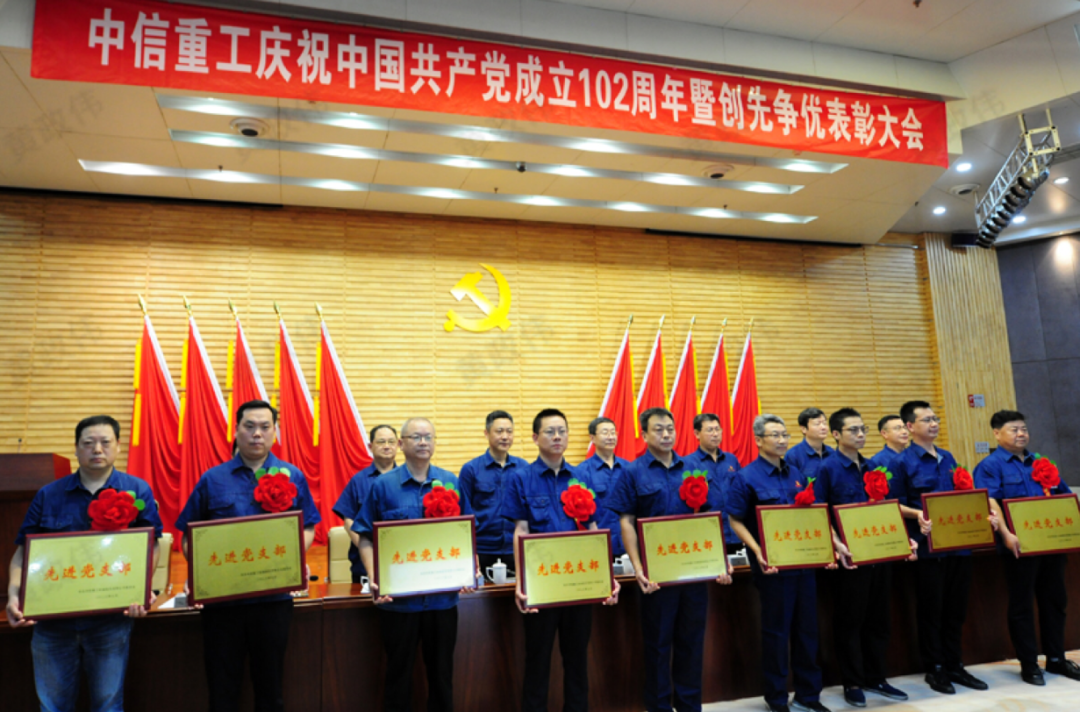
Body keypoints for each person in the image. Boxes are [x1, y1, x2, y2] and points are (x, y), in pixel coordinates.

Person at [6, 415, 163, 712]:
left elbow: (151, 543)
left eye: (105, 442)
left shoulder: (137, 490)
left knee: (108, 704)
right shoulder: (49, 494)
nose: (97, 449)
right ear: (76, 448)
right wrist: (14, 594)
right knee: (52, 706)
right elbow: (24, 552)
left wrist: (141, 589)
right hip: (53, 622)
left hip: (110, 620)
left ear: (118, 446)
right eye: (88, 443)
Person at [175, 400, 320, 712]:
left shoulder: (293, 476)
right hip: (222, 603)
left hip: (272, 599)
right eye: (249, 426)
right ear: (236, 430)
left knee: (271, 688)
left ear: (275, 432)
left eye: (265, 427)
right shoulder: (212, 479)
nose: (257, 434)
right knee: (222, 689)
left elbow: (307, 526)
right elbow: (188, 537)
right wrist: (201, 570)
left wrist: (292, 557)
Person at [609, 407, 732, 712]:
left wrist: (720, 560)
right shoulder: (632, 472)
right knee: (658, 646)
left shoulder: (692, 468)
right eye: (658, 429)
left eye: (670, 429)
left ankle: (690, 706)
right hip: (657, 577)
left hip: (693, 573)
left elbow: (708, 518)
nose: (666, 435)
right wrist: (638, 568)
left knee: (692, 644)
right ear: (644, 434)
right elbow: (626, 521)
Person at [354, 417, 477, 712]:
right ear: (401, 444)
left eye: (428, 437)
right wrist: (374, 576)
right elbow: (365, 537)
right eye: (416, 437)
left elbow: (466, 532)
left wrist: (469, 570)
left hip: (442, 602)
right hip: (398, 603)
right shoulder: (383, 486)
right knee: (398, 676)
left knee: (442, 677)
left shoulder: (451, 481)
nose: (423, 442)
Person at [503, 408, 620, 712]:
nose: (557, 437)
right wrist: (521, 582)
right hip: (541, 584)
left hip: (578, 583)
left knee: (577, 659)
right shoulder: (520, 478)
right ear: (535, 438)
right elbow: (520, 531)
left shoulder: (581, 476)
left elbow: (593, 529)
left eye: (562, 431)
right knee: (537, 660)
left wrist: (606, 575)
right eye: (550, 431)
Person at [726, 414, 831, 712]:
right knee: (776, 633)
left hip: (803, 565)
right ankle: (776, 698)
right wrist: (758, 551)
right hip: (772, 569)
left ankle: (809, 696)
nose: (782, 440)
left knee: (807, 631)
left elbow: (810, 516)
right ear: (759, 440)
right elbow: (735, 520)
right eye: (775, 435)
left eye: (785, 435)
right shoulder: (745, 477)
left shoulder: (796, 473)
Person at [813, 408, 912, 708]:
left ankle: (876, 677)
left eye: (863, 429)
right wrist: (836, 543)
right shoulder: (827, 468)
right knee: (850, 622)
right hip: (850, 557)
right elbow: (819, 512)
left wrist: (902, 537)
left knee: (879, 619)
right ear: (836, 434)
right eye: (853, 430)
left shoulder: (873, 467)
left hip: (879, 552)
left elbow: (885, 507)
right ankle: (853, 682)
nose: (860, 435)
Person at [973, 410, 1080, 685]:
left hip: (1050, 545)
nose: (1021, 434)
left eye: (1024, 429)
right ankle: (1029, 664)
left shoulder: (1040, 462)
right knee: (1022, 606)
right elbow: (990, 502)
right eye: (1014, 429)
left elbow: (1064, 497)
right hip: (1018, 547)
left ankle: (1056, 659)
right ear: (996, 433)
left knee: (1055, 602)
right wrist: (1006, 534)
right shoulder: (990, 466)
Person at [890, 400, 987, 695]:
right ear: (910, 426)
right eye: (927, 420)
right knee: (932, 610)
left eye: (936, 419)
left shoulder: (948, 457)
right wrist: (918, 514)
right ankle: (935, 668)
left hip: (958, 545)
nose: (934, 424)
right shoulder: (901, 462)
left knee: (956, 609)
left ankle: (955, 664)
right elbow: (892, 505)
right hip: (928, 548)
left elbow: (961, 496)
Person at [458, 410, 528, 578]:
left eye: (509, 431)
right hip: (482, 549)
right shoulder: (471, 469)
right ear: (486, 433)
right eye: (499, 431)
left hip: (515, 548)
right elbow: (465, 513)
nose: (505, 436)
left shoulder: (524, 468)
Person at [333, 424, 399, 583]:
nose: (387, 446)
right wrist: (369, 551)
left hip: (401, 562)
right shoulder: (358, 481)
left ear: (398, 445)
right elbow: (349, 521)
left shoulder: (406, 480)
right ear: (370, 446)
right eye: (381, 442)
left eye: (391, 442)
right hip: (365, 567)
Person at [682, 412, 743, 550]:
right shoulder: (688, 463)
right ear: (697, 434)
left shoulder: (731, 460)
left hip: (736, 533)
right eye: (710, 430)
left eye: (717, 429)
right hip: (708, 535)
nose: (715, 434)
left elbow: (740, 494)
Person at [575, 416, 629, 557]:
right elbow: (581, 512)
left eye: (613, 432)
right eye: (605, 432)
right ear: (592, 438)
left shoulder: (628, 468)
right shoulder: (582, 471)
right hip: (599, 544)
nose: (610, 437)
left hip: (628, 543)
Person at [785, 407, 834, 482]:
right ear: (804, 429)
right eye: (817, 424)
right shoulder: (793, 455)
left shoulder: (832, 452)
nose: (823, 427)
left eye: (824, 423)